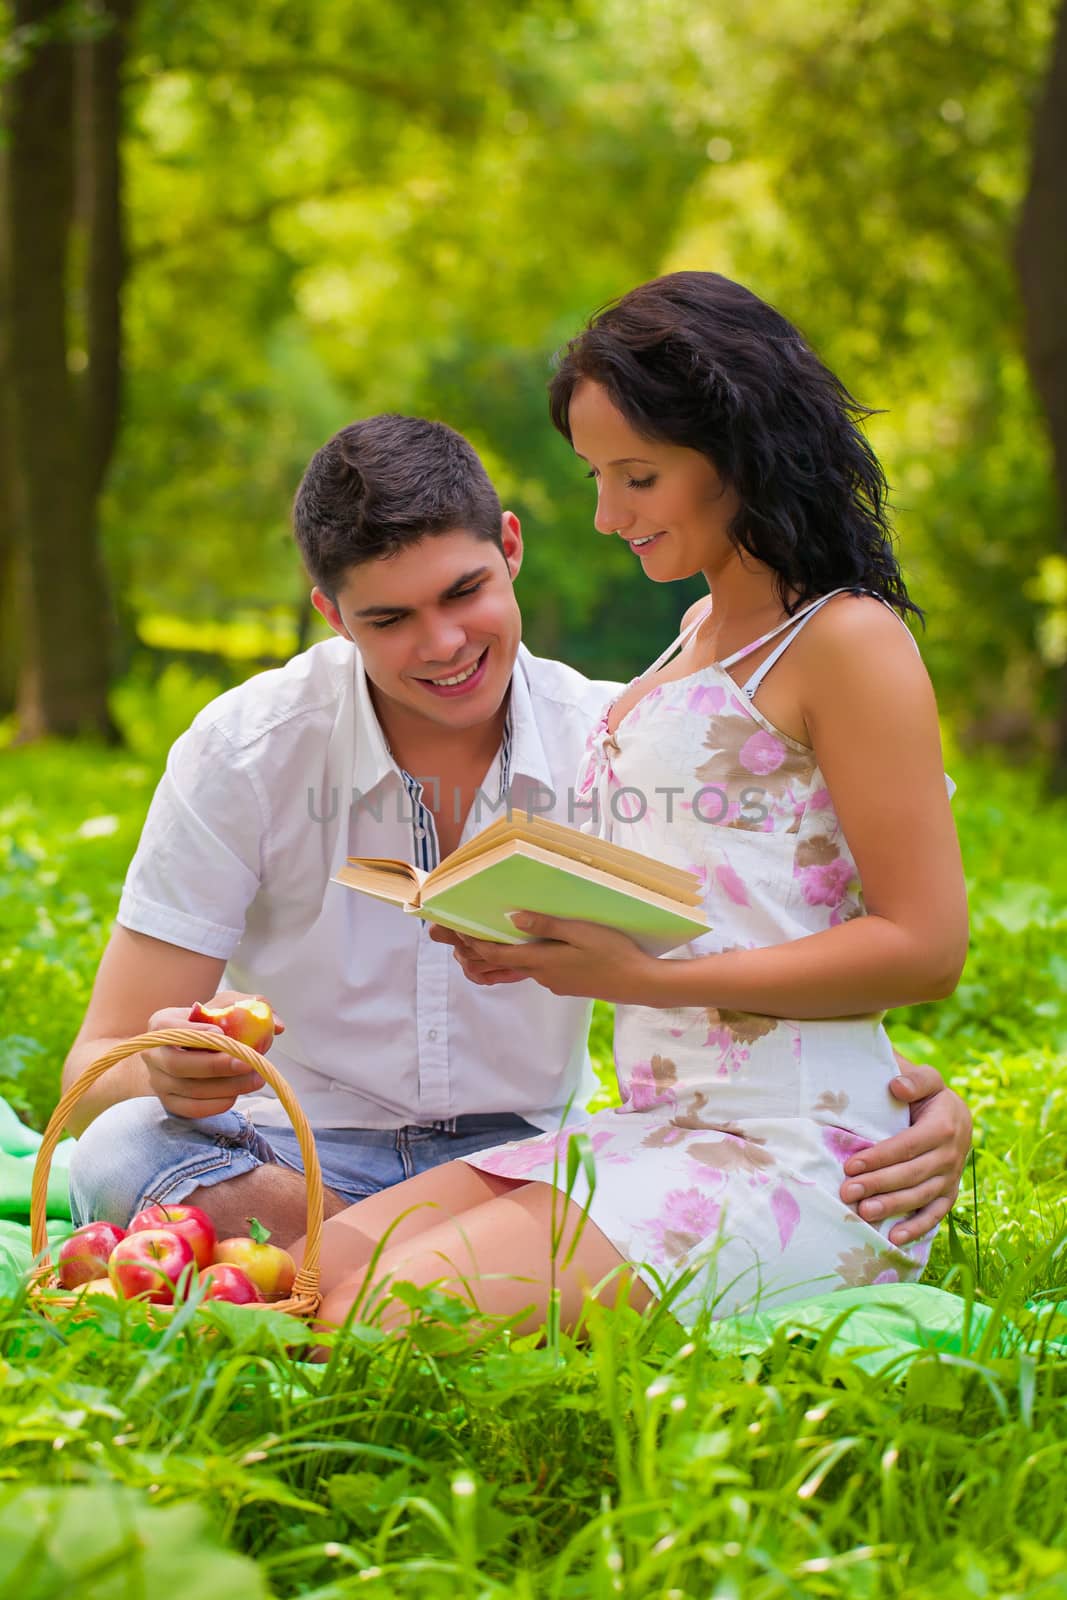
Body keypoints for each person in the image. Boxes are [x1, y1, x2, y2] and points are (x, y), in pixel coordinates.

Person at [65, 409, 968, 1263]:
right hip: (288, 1152)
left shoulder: (613, 738)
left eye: (464, 592)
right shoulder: (246, 750)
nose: (445, 643)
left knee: (240, 1231)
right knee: (117, 1154)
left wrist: (907, 1096)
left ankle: (347, 1269)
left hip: (525, 1158)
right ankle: (399, 1264)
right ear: (334, 617)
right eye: (390, 619)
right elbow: (95, 1066)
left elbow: (752, 947)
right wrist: (170, 1073)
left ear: (510, 547)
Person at [309, 273, 970, 1334]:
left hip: (801, 1164)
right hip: (654, 1127)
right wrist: (531, 930)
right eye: (594, 475)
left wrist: (638, 976)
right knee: (301, 1282)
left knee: (371, 1321)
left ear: (738, 452)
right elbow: (740, 901)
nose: (606, 515)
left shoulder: (844, 642)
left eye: (637, 476)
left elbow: (925, 945)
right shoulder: (689, 642)